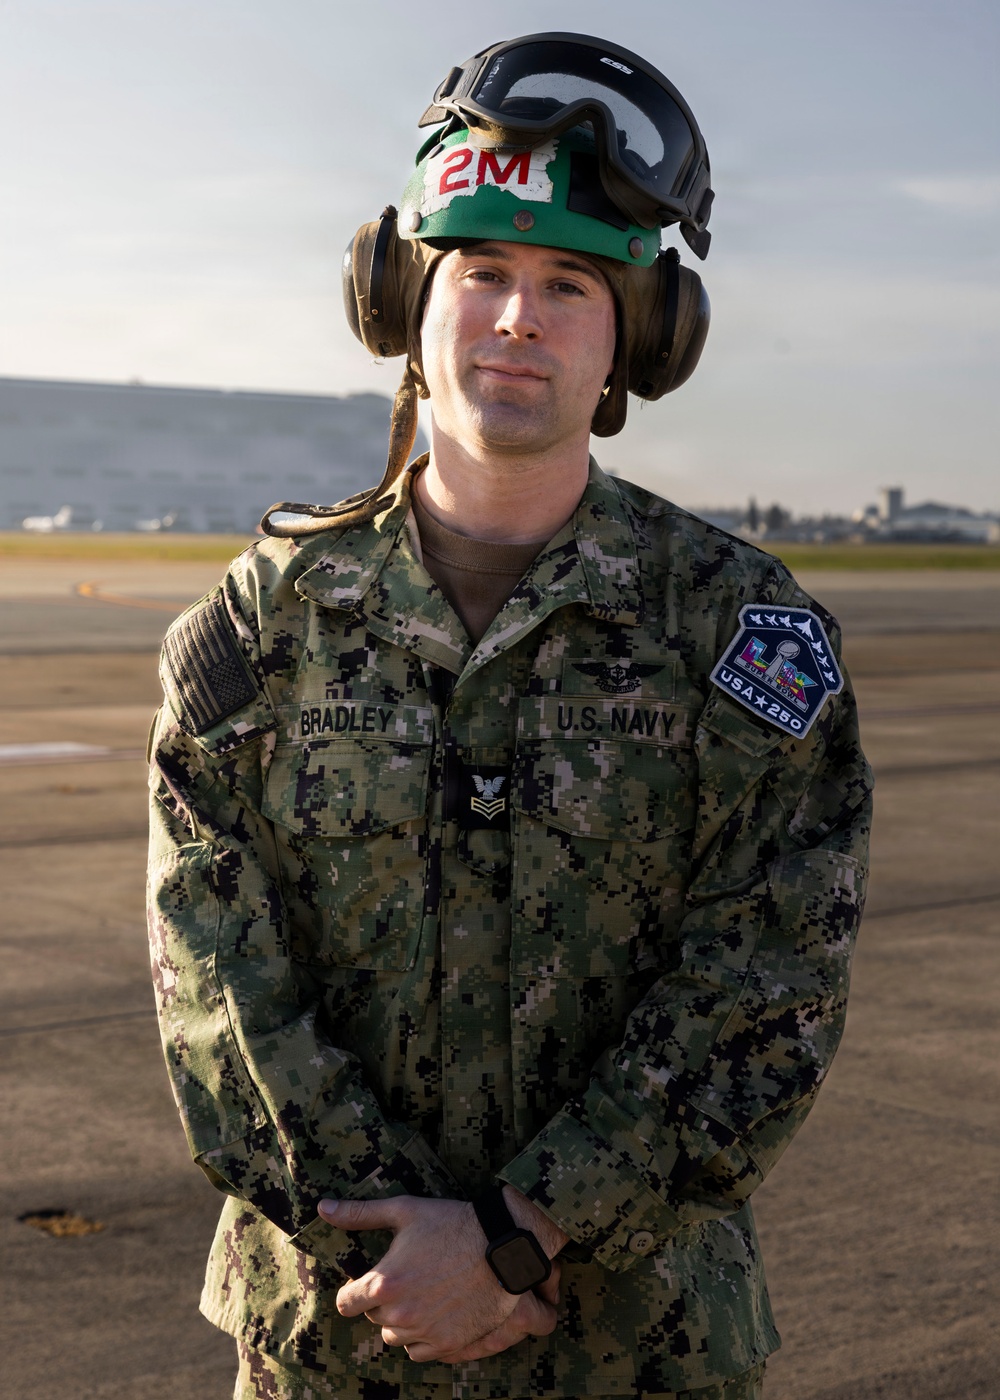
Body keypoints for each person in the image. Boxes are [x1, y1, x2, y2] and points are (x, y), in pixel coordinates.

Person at [147, 32, 871, 1400]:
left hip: (635, 1350)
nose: (517, 320)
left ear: (642, 341)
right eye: (480, 273)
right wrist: (408, 1256)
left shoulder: (737, 633)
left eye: (569, 285)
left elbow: (769, 987)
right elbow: (220, 1002)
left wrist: (521, 1239)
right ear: (402, 304)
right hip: (335, 1340)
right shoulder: (256, 635)